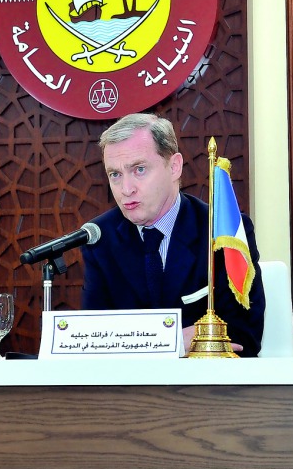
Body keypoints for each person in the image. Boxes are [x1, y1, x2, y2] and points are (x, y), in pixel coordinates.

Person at [80, 113, 267, 356]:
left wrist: (137, 344)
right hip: (126, 390)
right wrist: (175, 341)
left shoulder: (222, 232)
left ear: (174, 167)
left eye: (139, 169)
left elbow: (244, 335)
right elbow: (91, 341)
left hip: (206, 388)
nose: (126, 189)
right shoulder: (99, 237)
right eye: (115, 174)